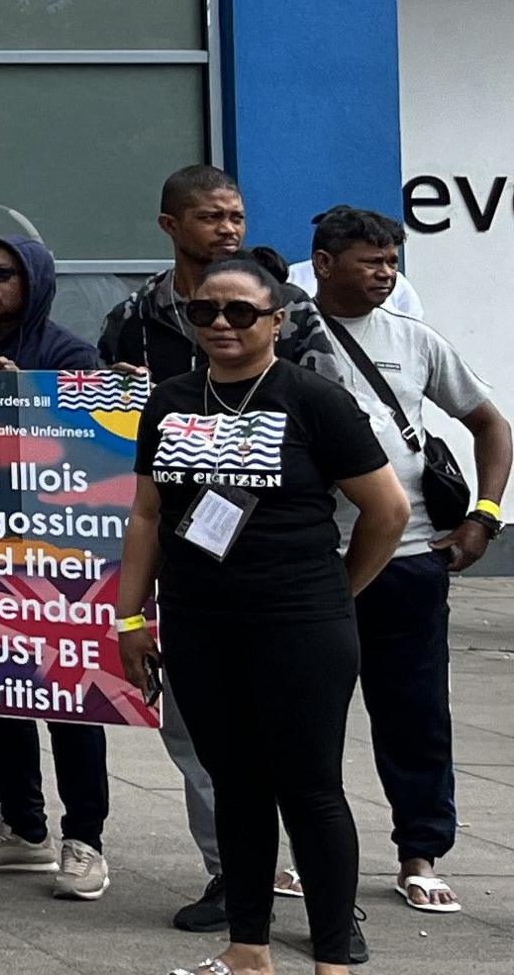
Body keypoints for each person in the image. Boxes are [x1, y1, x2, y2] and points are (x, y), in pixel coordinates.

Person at [121, 254, 408, 975]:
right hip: (200, 621)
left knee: (309, 788)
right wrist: (130, 621)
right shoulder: (172, 400)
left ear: (276, 320)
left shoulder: (312, 399)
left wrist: (338, 591)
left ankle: (332, 958)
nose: (220, 323)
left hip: (300, 622)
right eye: (204, 311)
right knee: (237, 786)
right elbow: (148, 517)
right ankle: (248, 948)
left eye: (240, 312)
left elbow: (388, 510)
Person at [99, 165, 320, 933]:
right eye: (210, 217)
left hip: (284, 559)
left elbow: (333, 434)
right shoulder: (133, 316)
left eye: (236, 215)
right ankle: (231, 873)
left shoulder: (290, 311)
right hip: (184, 555)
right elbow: (110, 442)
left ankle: (328, 892)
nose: (227, 228)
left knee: (299, 743)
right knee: (196, 731)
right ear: (171, 225)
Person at [294, 206, 508, 915]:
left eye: (392, 261)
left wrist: (486, 514)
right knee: (297, 715)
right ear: (324, 263)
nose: (386, 274)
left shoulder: (414, 341)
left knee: (414, 714)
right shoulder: (283, 336)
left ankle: (420, 851)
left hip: (411, 558)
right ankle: (297, 853)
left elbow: (490, 423)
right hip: (308, 561)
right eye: (371, 261)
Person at [0, 232, 114, 899]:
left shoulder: (69, 351)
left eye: (2, 273)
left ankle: (85, 840)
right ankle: (22, 826)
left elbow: (95, 449)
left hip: (62, 554)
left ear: (33, 282)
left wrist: (30, 394)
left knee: (71, 699)